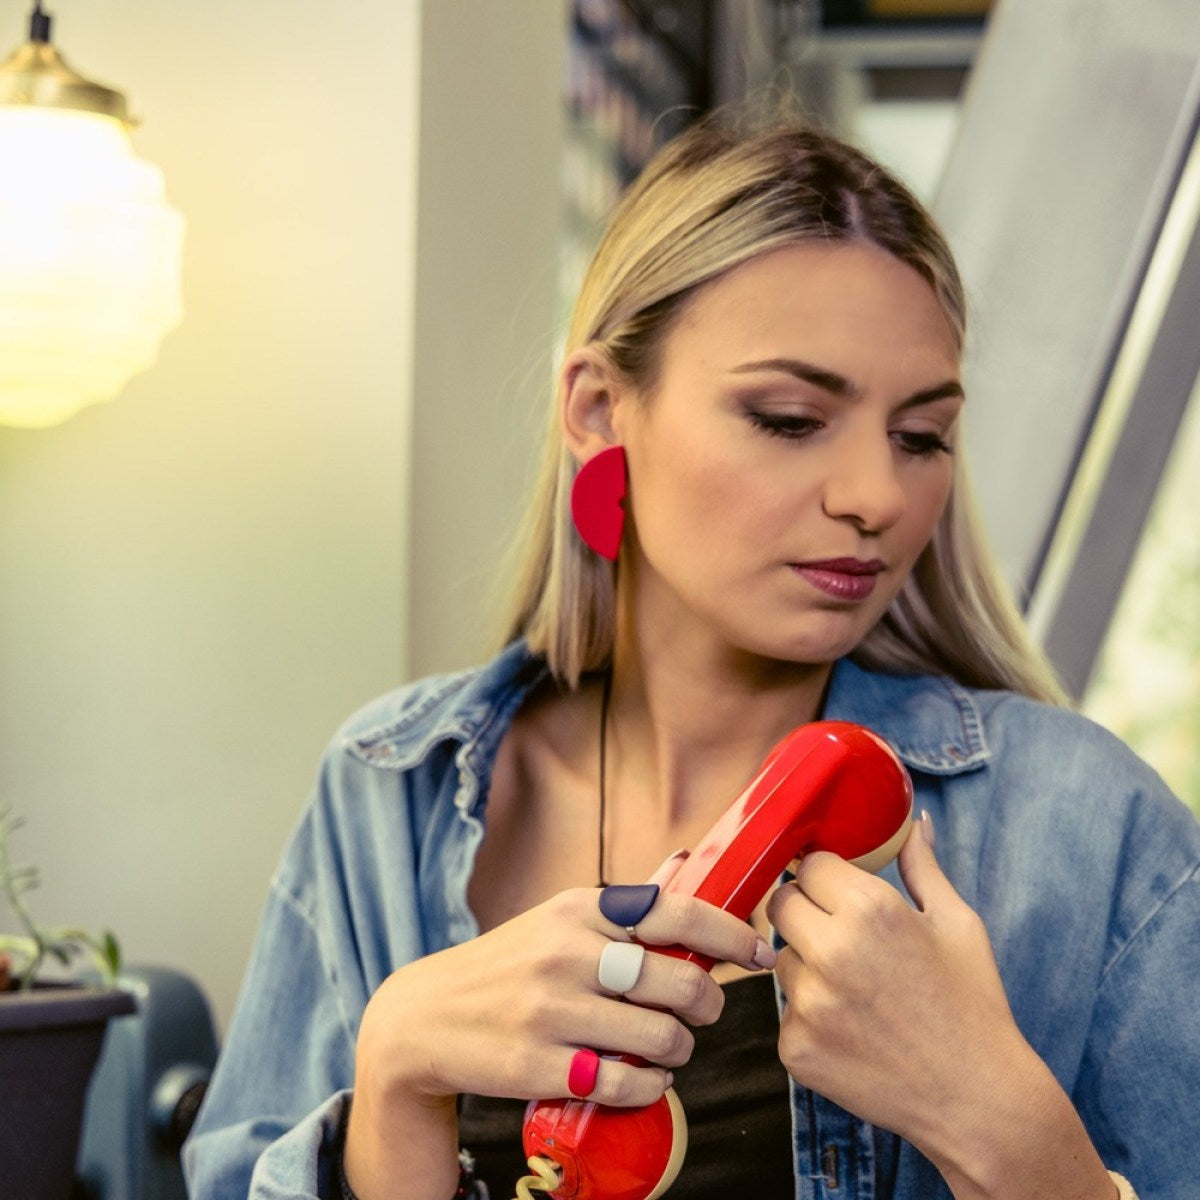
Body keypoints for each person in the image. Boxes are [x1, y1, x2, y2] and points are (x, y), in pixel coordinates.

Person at [183, 110, 1200, 1200]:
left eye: (921, 438)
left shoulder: (1085, 828)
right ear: (600, 411)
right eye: (788, 417)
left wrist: (995, 1121)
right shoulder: (390, 792)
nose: (875, 497)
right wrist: (391, 1082)